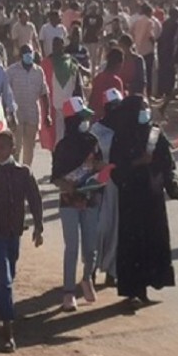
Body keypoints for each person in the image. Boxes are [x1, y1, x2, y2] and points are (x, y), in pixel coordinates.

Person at [109, 95, 178, 305]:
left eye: (147, 107)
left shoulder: (155, 134)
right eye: (141, 108)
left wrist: (174, 185)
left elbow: (168, 165)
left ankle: (147, 289)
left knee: (153, 242)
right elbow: (115, 171)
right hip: (131, 199)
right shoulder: (121, 137)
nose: (146, 111)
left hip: (153, 199)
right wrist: (137, 163)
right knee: (132, 244)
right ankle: (133, 291)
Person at [0, 130, 44, 352]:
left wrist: (39, 226)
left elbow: (35, 199)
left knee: (9, 276)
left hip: (14, 234)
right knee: (5, 280)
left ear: (12, 148)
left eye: (3, 147)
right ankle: (8, 331)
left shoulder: (23, 173)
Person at [51, 97, 102, 312]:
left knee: (90, 247)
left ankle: (87, 278)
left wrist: (101, 171)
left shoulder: (92, 141)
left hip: (91, 199)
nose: (86, 121)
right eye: (82, 117)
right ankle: (69, 292)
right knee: (71, 247)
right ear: (72, 120)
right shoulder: (62, 146)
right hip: (69, 202)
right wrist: (67, 186)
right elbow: (55, 177)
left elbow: (98, 167)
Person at [89, 88, 124, 286]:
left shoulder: (125, 130)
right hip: (100, 184)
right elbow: (89, 159)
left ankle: (112, 271)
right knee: (99, 228)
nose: (115, 110)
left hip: (118, 184)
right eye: (112, 107)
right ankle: (91, 270)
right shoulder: (96, 130)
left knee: (116, 228)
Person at [6, 44, 51, 167]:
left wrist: (47, 114)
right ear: (20, 55)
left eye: (30, 52)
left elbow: (44, 94)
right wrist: (8, 114)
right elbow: (6, 94)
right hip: (16, 115)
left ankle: (26, 173)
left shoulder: (38, 71)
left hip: (32, 115)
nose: (28, 55)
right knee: (16, 147)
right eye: (25, 53)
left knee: (29, 148)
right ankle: (13, 173)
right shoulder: (11, 71)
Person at [41, 36, 83, 147]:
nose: (57, 47)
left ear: (63, 46)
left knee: (69, 136)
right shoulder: (46, 63)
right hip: (53, 107)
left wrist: (81, 102)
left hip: (70, 107)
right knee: (55, 138)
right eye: (55, 45)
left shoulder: (72, 62)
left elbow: (78, 84)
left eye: (59, 44)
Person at [90, 48, 125, 121]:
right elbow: (120, 106)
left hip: (95, 120)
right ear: (119, 64)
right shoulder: (116, 81)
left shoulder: (98, 78)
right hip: (109, 121)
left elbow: (91, 100)